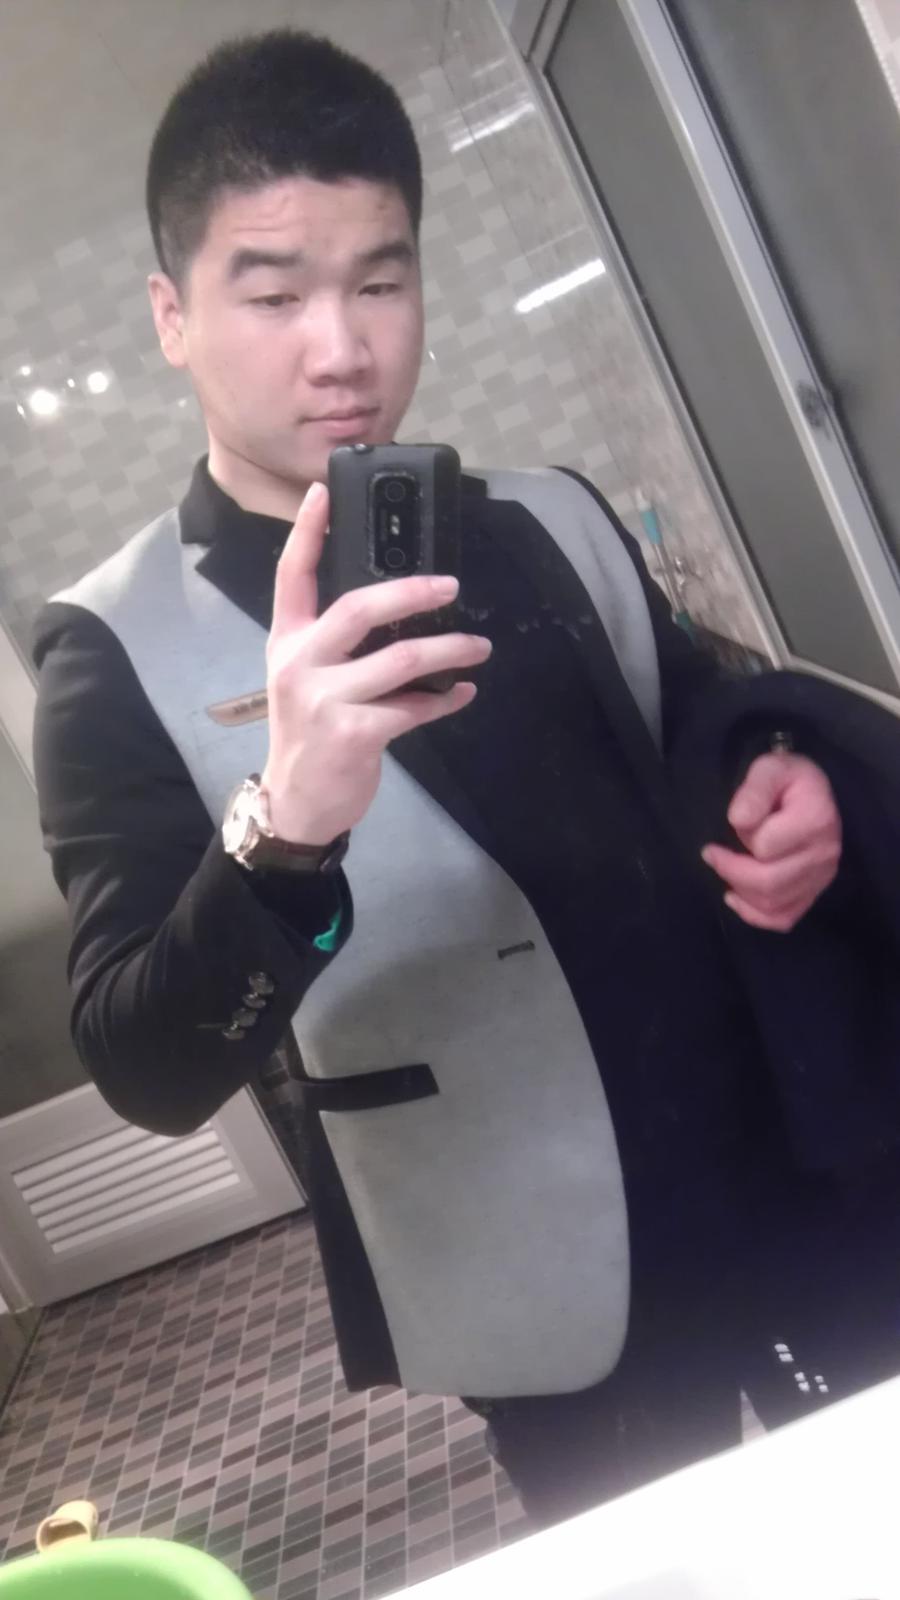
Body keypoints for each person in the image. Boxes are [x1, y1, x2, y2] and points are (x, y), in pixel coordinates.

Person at [32, 29, 899, 1529]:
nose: (342, 348)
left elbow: (703, 719)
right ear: (174, 315)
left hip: (790, 1161)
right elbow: (149, 1066)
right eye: (274, 292)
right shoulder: (111, 648)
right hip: (540, 1272)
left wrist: (786, 777)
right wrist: (286, 828)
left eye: (381, 279)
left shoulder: (550, 516)